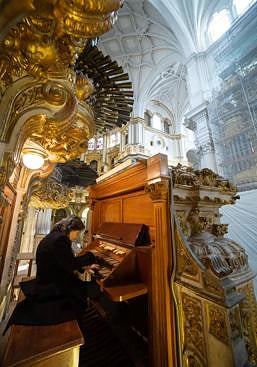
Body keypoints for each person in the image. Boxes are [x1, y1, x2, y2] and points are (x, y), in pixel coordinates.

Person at [5, 215, 100, 332]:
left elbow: (63, 262)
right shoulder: (60, 240)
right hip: (52, 287)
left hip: (48, 280)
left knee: (85, 287)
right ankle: (80, 330)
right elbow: (69, 263)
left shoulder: (54, 236)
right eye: (78, 233)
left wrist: (84, 266)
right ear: (72, 229)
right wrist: (91, 256)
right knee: (89, 289)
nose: (77, 237)